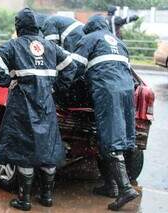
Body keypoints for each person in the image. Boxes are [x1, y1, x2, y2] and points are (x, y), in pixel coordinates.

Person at [0, 8, 77, 211]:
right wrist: (56, 86)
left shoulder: (13, 45)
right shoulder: (50, 46)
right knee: (47, 148)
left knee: (24, 149)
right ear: (37, 26)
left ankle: (24, 200)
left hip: (22, 104)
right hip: (46, 102)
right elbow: (71, 66)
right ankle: (46, 197)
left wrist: (7, 80)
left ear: (18, 27)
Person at [71, 15, 139, 211]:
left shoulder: (88, 39)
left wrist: (61, 84)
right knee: (118, 137)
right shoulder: (119, 42)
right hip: (127, 91)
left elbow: (75, 67)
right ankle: (111, 186)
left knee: (110, 138)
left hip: (107, 89)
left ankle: (125, 189)